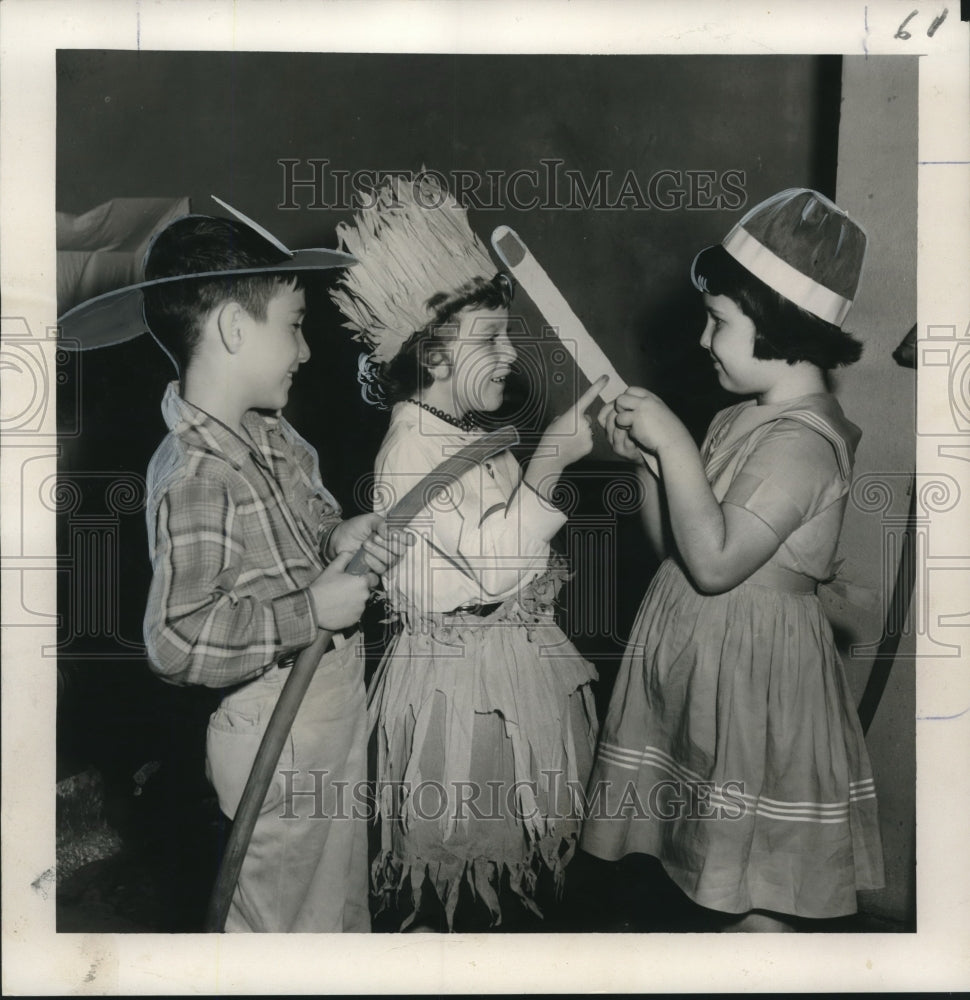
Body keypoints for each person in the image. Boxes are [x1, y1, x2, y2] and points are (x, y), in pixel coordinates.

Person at [82, 206, 408, 932]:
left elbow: (301, 530)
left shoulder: (273, 434)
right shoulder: (194, 472)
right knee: (282, 923)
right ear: (234, 329)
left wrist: (337, 536)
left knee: (336, 905)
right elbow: (178, 639)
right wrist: (311, 613)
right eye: (294, 324)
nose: (306, 349)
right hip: (272, 731)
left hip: (328, 709)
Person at [580, 188, 885, 931]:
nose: (706, 341)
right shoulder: (735, 416)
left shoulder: (805, 444)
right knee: (697, 871)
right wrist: (652, 465)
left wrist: (675, 443)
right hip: (700, 669)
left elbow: (717, 564)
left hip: (754, 688)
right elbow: (680, 552)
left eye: (719, 322)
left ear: (780, 322)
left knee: (755, 892)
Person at [330, 174, 601, 930]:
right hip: (461, 689)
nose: (511, 355)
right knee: (467, 866)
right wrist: (548, 463)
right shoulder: (410, 449)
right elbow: (492, 565)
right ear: (434, 354)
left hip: (514, 664)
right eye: (491, 340)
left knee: (520, 855)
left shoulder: (466, 433)